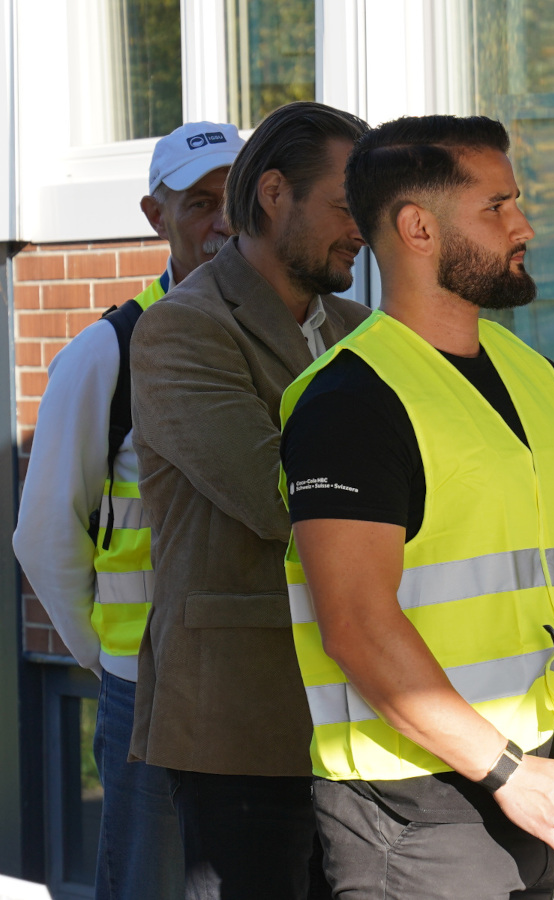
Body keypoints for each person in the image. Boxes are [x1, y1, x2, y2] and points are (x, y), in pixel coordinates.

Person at [276, 114, 554, 900]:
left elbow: (545, 576)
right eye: (496, 207)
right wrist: (507, 771)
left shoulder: (531, 373)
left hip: (547, 778)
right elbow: (358, 625)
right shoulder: (347, 401)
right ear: (418, 228)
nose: (523, 225)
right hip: (420, 812)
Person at [128, 101, 371, 900]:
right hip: (241, 728)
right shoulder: (180, 331)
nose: (361, 230)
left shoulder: (365, 328)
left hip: (364, 722)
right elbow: (280, 500)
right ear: (273, 194)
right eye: (345, 206)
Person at [13, 120, 239, 900]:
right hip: (147, 692)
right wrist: (108, 658)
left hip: (267, 685)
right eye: (200, 202)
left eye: (238, 199)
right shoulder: (107, 353)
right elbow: (44, 536)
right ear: (154, 215)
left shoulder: (296, 339)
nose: (224, 221)